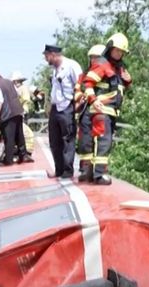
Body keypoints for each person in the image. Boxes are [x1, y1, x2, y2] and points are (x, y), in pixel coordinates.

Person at [77, 33, 132, 185]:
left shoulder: (118, 67)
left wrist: (128, 81)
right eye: (117, 50)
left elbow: (117, 85)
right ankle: (99, 175)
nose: (120, 54)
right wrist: (93, 100)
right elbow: (87, 84)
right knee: (103, 141)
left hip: (110, 111)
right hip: (102, 110)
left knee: (101, 141)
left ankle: (90, 172)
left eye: (122, 52)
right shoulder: (103, 64)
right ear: (110, 48)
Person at [42, 44, 82, 178]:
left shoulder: (71, 66)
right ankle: (58, 169)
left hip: (67, 107)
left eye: (47, 56)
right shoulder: (54, 70)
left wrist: (77, 107)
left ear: (53, 55)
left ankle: (67, 170)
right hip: (55, 108)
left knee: (67, 139)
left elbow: (80, 86)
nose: (46, 59)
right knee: (54, 140)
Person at [0, 68, 32, 166]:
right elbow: (16, 94)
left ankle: (8, 159)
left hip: (7, 114)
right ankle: (23, 154)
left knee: (9, 137)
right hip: (18, 111)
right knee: (19, 134)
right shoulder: (8, 82)